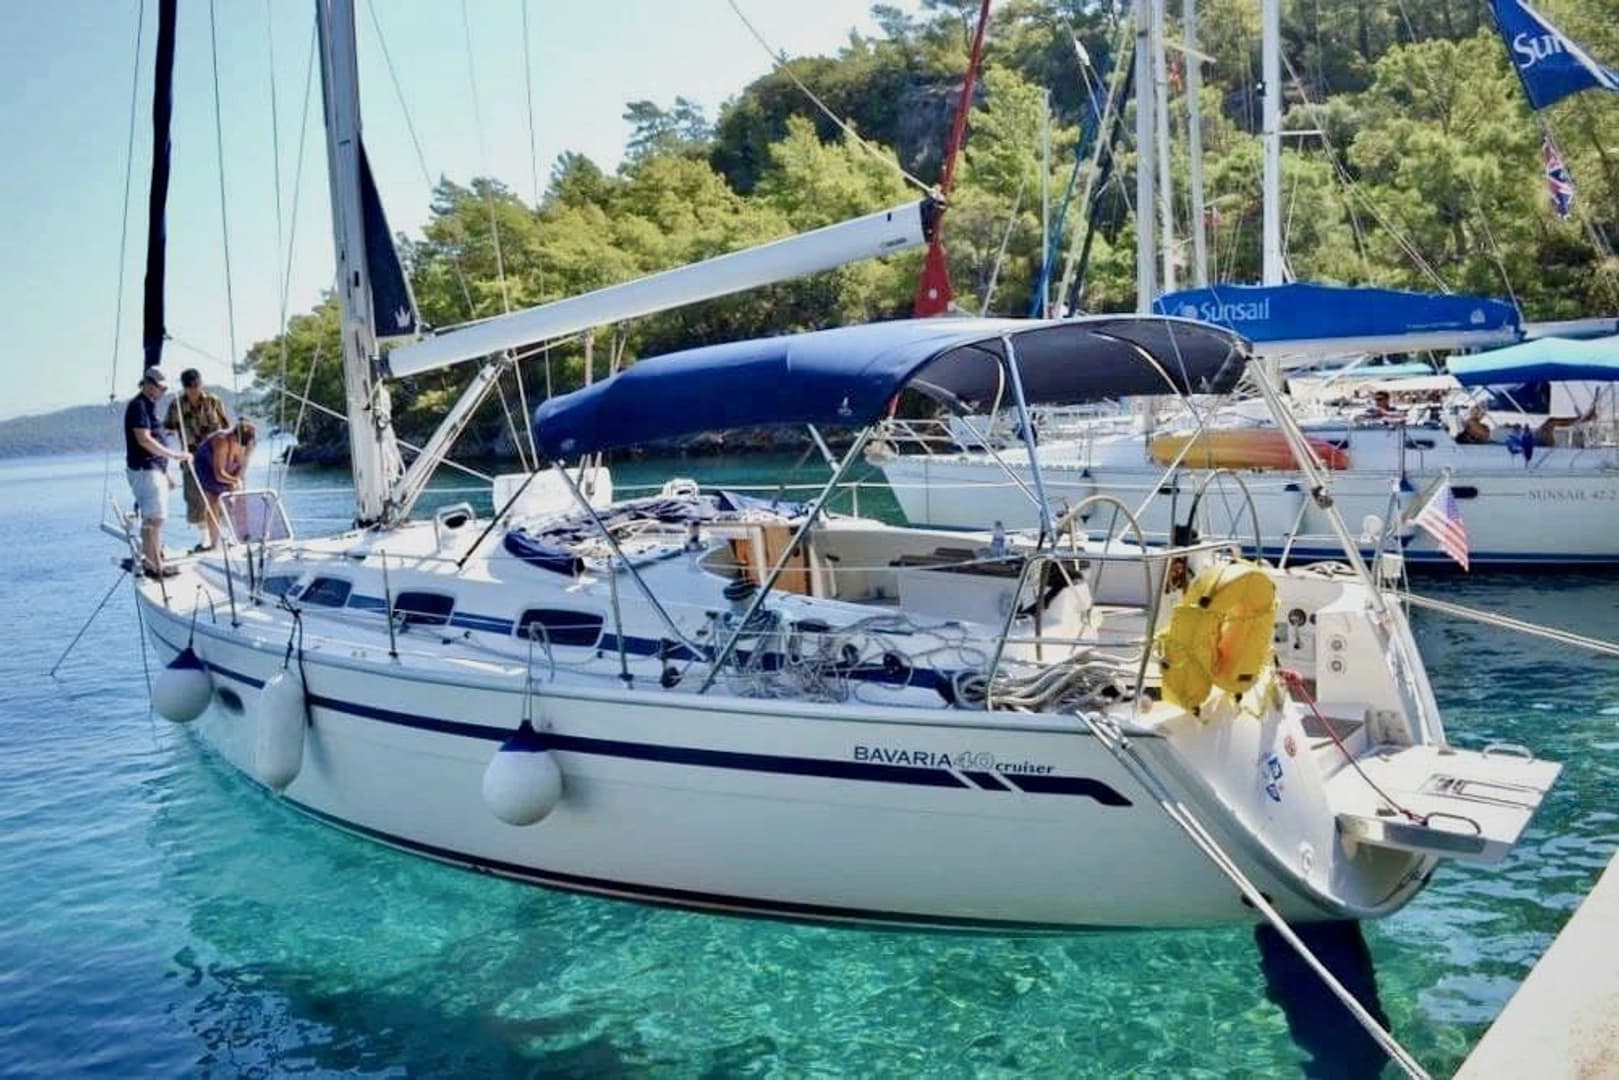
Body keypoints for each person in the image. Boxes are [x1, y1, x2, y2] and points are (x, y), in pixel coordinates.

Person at [124, 366, 191, 577]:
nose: (162, 392)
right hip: (145, 469)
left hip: (153, 469)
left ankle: (153, 561)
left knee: (155, 518)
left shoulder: (148, 406)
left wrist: (165, 472)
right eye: (160, 388)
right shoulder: (139, 406)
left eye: (164, 389)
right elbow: (144, 439)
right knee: (154, 518)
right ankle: (153, 565)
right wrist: (174, 455)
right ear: (148, 384)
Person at [163, 368, 230, 551]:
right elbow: (168, 431)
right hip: (191, 459)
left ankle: (225, 536)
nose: (194, 389)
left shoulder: (213, 401)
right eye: (190, 386)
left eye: (197, 385)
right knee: (195, 500)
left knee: (219, 496)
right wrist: (174, 452)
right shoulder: (176, 405)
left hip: (215, 456)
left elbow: (225, 428)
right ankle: (205, 539)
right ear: (184, 387)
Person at [194, 421, 257, 548]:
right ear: (233, 436)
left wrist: (236, 480)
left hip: (230, 466)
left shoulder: (248, 444)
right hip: (207, 466)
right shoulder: (221, 440)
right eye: (237, 442)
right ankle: (214, 543)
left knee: (239, 499)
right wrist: (234, 481)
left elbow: (241, 469)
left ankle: (242, 538)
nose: (239, 446)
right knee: (214, 501)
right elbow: (219, 474)